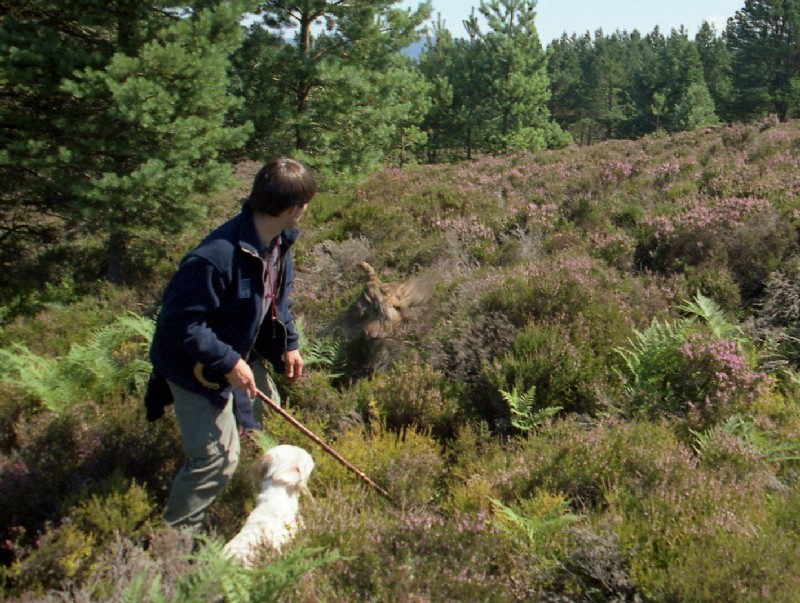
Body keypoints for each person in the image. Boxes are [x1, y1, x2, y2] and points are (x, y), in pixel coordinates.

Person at [147, 157, 316, 530]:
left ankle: (247, 489)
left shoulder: (277, 243)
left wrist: (289, 342)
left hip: (233, 353)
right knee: (215, 459)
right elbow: (178, 324)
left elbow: (277, 300)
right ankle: (173, 551)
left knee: (263, 409)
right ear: (294, 208)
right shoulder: (214, 258)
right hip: (192, 368)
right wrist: (227, 362)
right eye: (305, 205)